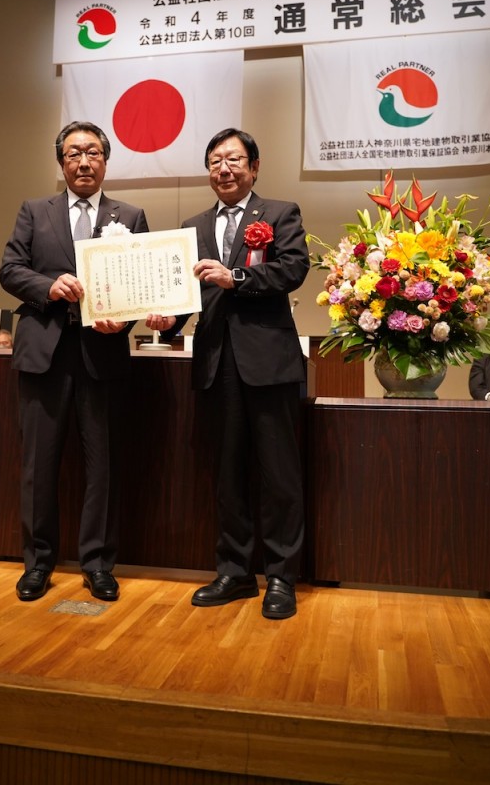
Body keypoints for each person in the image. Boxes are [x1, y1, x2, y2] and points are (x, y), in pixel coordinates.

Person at [147, 128, 309, 620]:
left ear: (254, 168)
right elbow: (184, 292)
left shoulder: (280, 213)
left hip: (269, 362)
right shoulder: (192, 224)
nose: (225, 168)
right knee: (228, 474)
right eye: (216, 160)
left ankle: (281, 576)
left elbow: (293, 269)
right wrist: (165, 320)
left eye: (235, 159)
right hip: (217, 363)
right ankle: (235, 572)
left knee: (278, 474)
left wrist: (234, 275)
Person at [0, 120, 149, 603]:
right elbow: (10, 269)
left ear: (106, 160)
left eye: (93, 153)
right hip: (44, 354)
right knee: (38, 466)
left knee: (102, 465)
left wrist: (122, 324)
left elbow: (138, 283)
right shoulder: (33, 211)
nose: (83, 162)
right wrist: (48, 287)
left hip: (102, 356)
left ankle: (99, 564)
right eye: (73, 153)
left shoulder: (131, 213)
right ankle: (38, 562)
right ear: (60, 162)